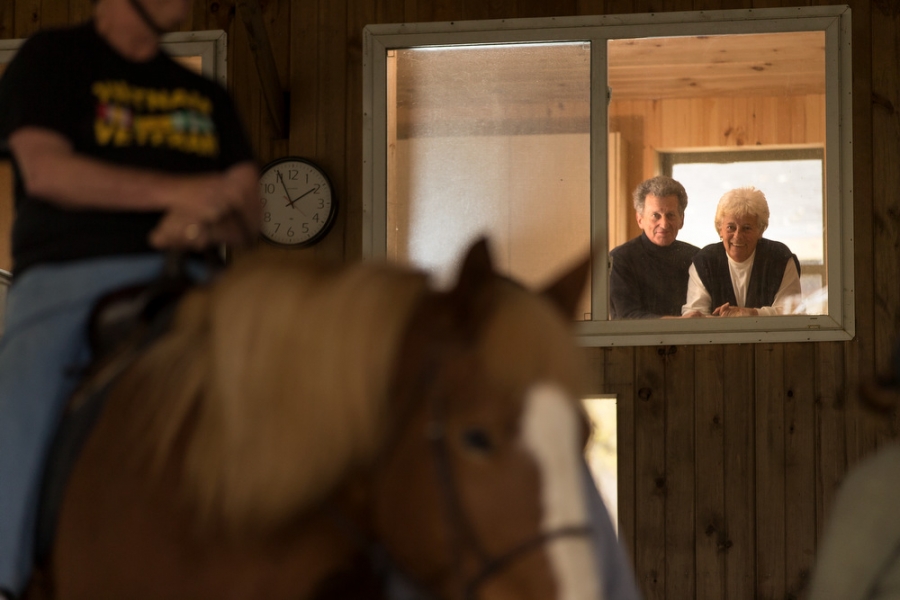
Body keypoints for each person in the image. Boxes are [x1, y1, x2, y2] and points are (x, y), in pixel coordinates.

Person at [0, 0, 260, 597]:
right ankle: (6, 574)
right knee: (21, 390)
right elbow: (47, 173)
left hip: (195, 278)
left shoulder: (203, 95)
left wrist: (197, 223)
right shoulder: (53, 59)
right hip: (70, 276)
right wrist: (189, 194)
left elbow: (248, 208)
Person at [682, 186, 802, 317]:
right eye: (730, 227)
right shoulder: (704, 261)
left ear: (760, 230)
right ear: (720, 229)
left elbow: (792, 313)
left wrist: (752, 313)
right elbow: (695, 315)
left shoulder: (780, 258)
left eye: (747, 228)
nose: (738, 236)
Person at [609, 175, 699, 319]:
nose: (664, 224)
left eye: (670, 215)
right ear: (640, 219)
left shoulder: (697, 257)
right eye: (655, 215)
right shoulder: (620, 259)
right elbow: (626, 317)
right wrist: (680, 323)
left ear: (681, 220)